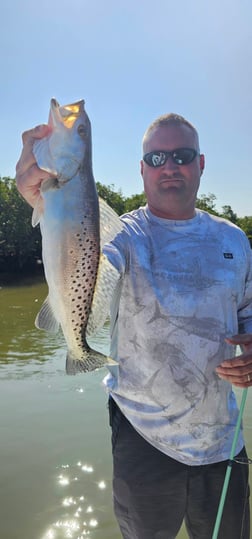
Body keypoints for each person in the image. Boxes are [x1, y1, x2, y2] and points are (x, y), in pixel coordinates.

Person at [16, 113, 252, 539]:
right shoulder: (123, 234)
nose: (169, 165)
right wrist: (46, 201)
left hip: (222, 441)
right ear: (142, 169)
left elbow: (249, 315)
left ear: (200, 164)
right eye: (156, 156)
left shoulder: (235, 240)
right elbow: (89, 259)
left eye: (181, 155)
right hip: (143, 438)